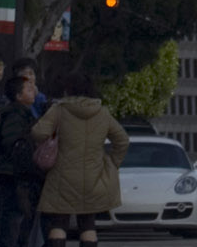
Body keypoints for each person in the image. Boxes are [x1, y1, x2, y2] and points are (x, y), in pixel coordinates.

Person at [31, 70, 127, 247]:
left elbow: (38, 132)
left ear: (68, 89)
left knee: (59, 222)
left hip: (62, 176)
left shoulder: (59, 110)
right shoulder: (102, 113)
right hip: (94, 176)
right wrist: (112, 163)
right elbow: (122, 140)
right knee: (88, 224)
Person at [0, 74, 39, 247]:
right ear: (18, 96)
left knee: (10, 216)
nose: (34, 92)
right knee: (12, 216)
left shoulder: (21, 112)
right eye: (29, 89)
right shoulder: (16, 114)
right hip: (12, 173)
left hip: (10, 172)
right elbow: (12, 142)